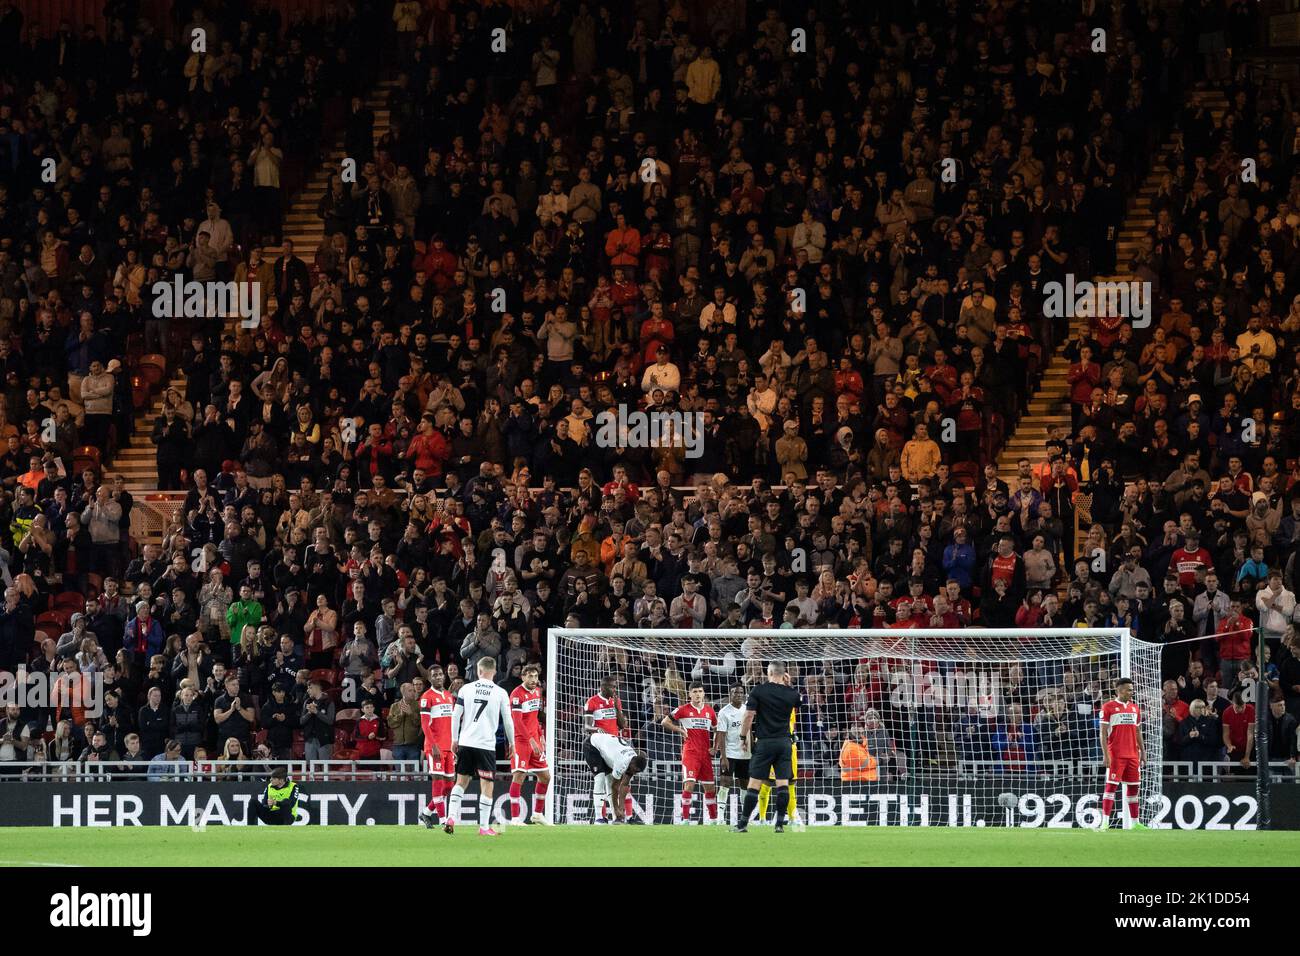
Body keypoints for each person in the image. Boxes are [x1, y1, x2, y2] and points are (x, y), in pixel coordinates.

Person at [446, 656, 514, 836]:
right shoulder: (500, 692)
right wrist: (512, 742)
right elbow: (508, 720)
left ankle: (451, 817)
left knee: (461, 781)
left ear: (479, 670)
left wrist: (454, 739)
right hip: (486, 745)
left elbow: (455, 716)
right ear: (494, 671)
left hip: (466, 742)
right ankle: (484, 827)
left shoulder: (466, 689)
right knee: (487, 785)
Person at [734, 660, 801, 834]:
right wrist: (788, 685)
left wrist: (743, 737)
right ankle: (779, 824)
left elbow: (749, 716)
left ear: (769, 672)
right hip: (785, 743)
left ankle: (742, 824)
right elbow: (796, 705)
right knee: (783, 785)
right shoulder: (792, 694)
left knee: (754, 784)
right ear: (784, 674)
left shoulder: (759, 691)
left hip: (764, 743)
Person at [662, 680, 718, 825]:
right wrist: (680, 730)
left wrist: (715, 747)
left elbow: (717, 729)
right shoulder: (683, 709)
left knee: (710, 788)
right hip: (690, 752)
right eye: (694, 692)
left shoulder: (709, 711)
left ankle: (713, 820)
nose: (698, 694)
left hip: (705, 754)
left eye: (700, 691)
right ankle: (685, 819)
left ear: (704, 693)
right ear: (689, 694)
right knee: (689, 785)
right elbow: (664, 722)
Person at [582, 673, 633, 822]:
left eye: (615, 687)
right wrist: (596, 729)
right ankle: (599, 817)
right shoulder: (592, 702)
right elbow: (586, 726)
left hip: (613, 747)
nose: (614, 690)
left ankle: (617, 816)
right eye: (612, 687)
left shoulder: (615, 701)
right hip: (598, 746)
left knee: (612, 782)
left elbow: (623, 725)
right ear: (603, 687)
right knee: (599, 780)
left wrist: (617, 707)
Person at [1098, 676, 1146, 831]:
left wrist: (1143, 753)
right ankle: (1105, 821)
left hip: (1133, 755)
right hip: (1116, 755)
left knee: (1133, 789)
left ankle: (1135, 823)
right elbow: (1103, 733)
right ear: (1119, 690)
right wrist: (1106, 755)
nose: (1131, 692)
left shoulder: (1135, 708)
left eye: (1132, 689)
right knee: (1111, 787)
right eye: (1128, 689)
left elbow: (1138, 732)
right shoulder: (1108, 707)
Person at [507, 662, 550, 825]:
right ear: (523, 677)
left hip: (534, 741)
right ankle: (515, 818)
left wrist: (540, 736)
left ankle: (537, 815)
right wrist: (531, 740)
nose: (533, 679)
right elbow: (517, 721)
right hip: (521, 742)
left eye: (536, 676)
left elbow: (534, 717)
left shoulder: (537, 692)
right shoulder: (517, 694)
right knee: (519, 776)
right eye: (530, 676)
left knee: (545, 776)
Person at [417, 666, 456, 828]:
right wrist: (433, 745)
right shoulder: (426, 697)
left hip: (449, 746)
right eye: (435, 675)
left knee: (449, 785)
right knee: (438, 783)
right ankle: (442, 819)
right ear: (429, 678)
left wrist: (455, 742)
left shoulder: (448, 696)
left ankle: (426, 812)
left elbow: (452, 722)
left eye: (440, 674)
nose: (439, 677)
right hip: (435, 747)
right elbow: (425, 725)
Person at [713, 684, 750, 822]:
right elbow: (721, 734)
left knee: (745, 784)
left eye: (740, 692)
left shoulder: (748, 710)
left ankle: (745, 817)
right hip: (729, 753)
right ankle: (720, 816)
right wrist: (723, 756)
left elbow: (751, 731)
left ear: (744, 694)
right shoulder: (724, 712)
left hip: (746, 754)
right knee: (725, 782)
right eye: (735, 692)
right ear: (730, 694)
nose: (738, 695)